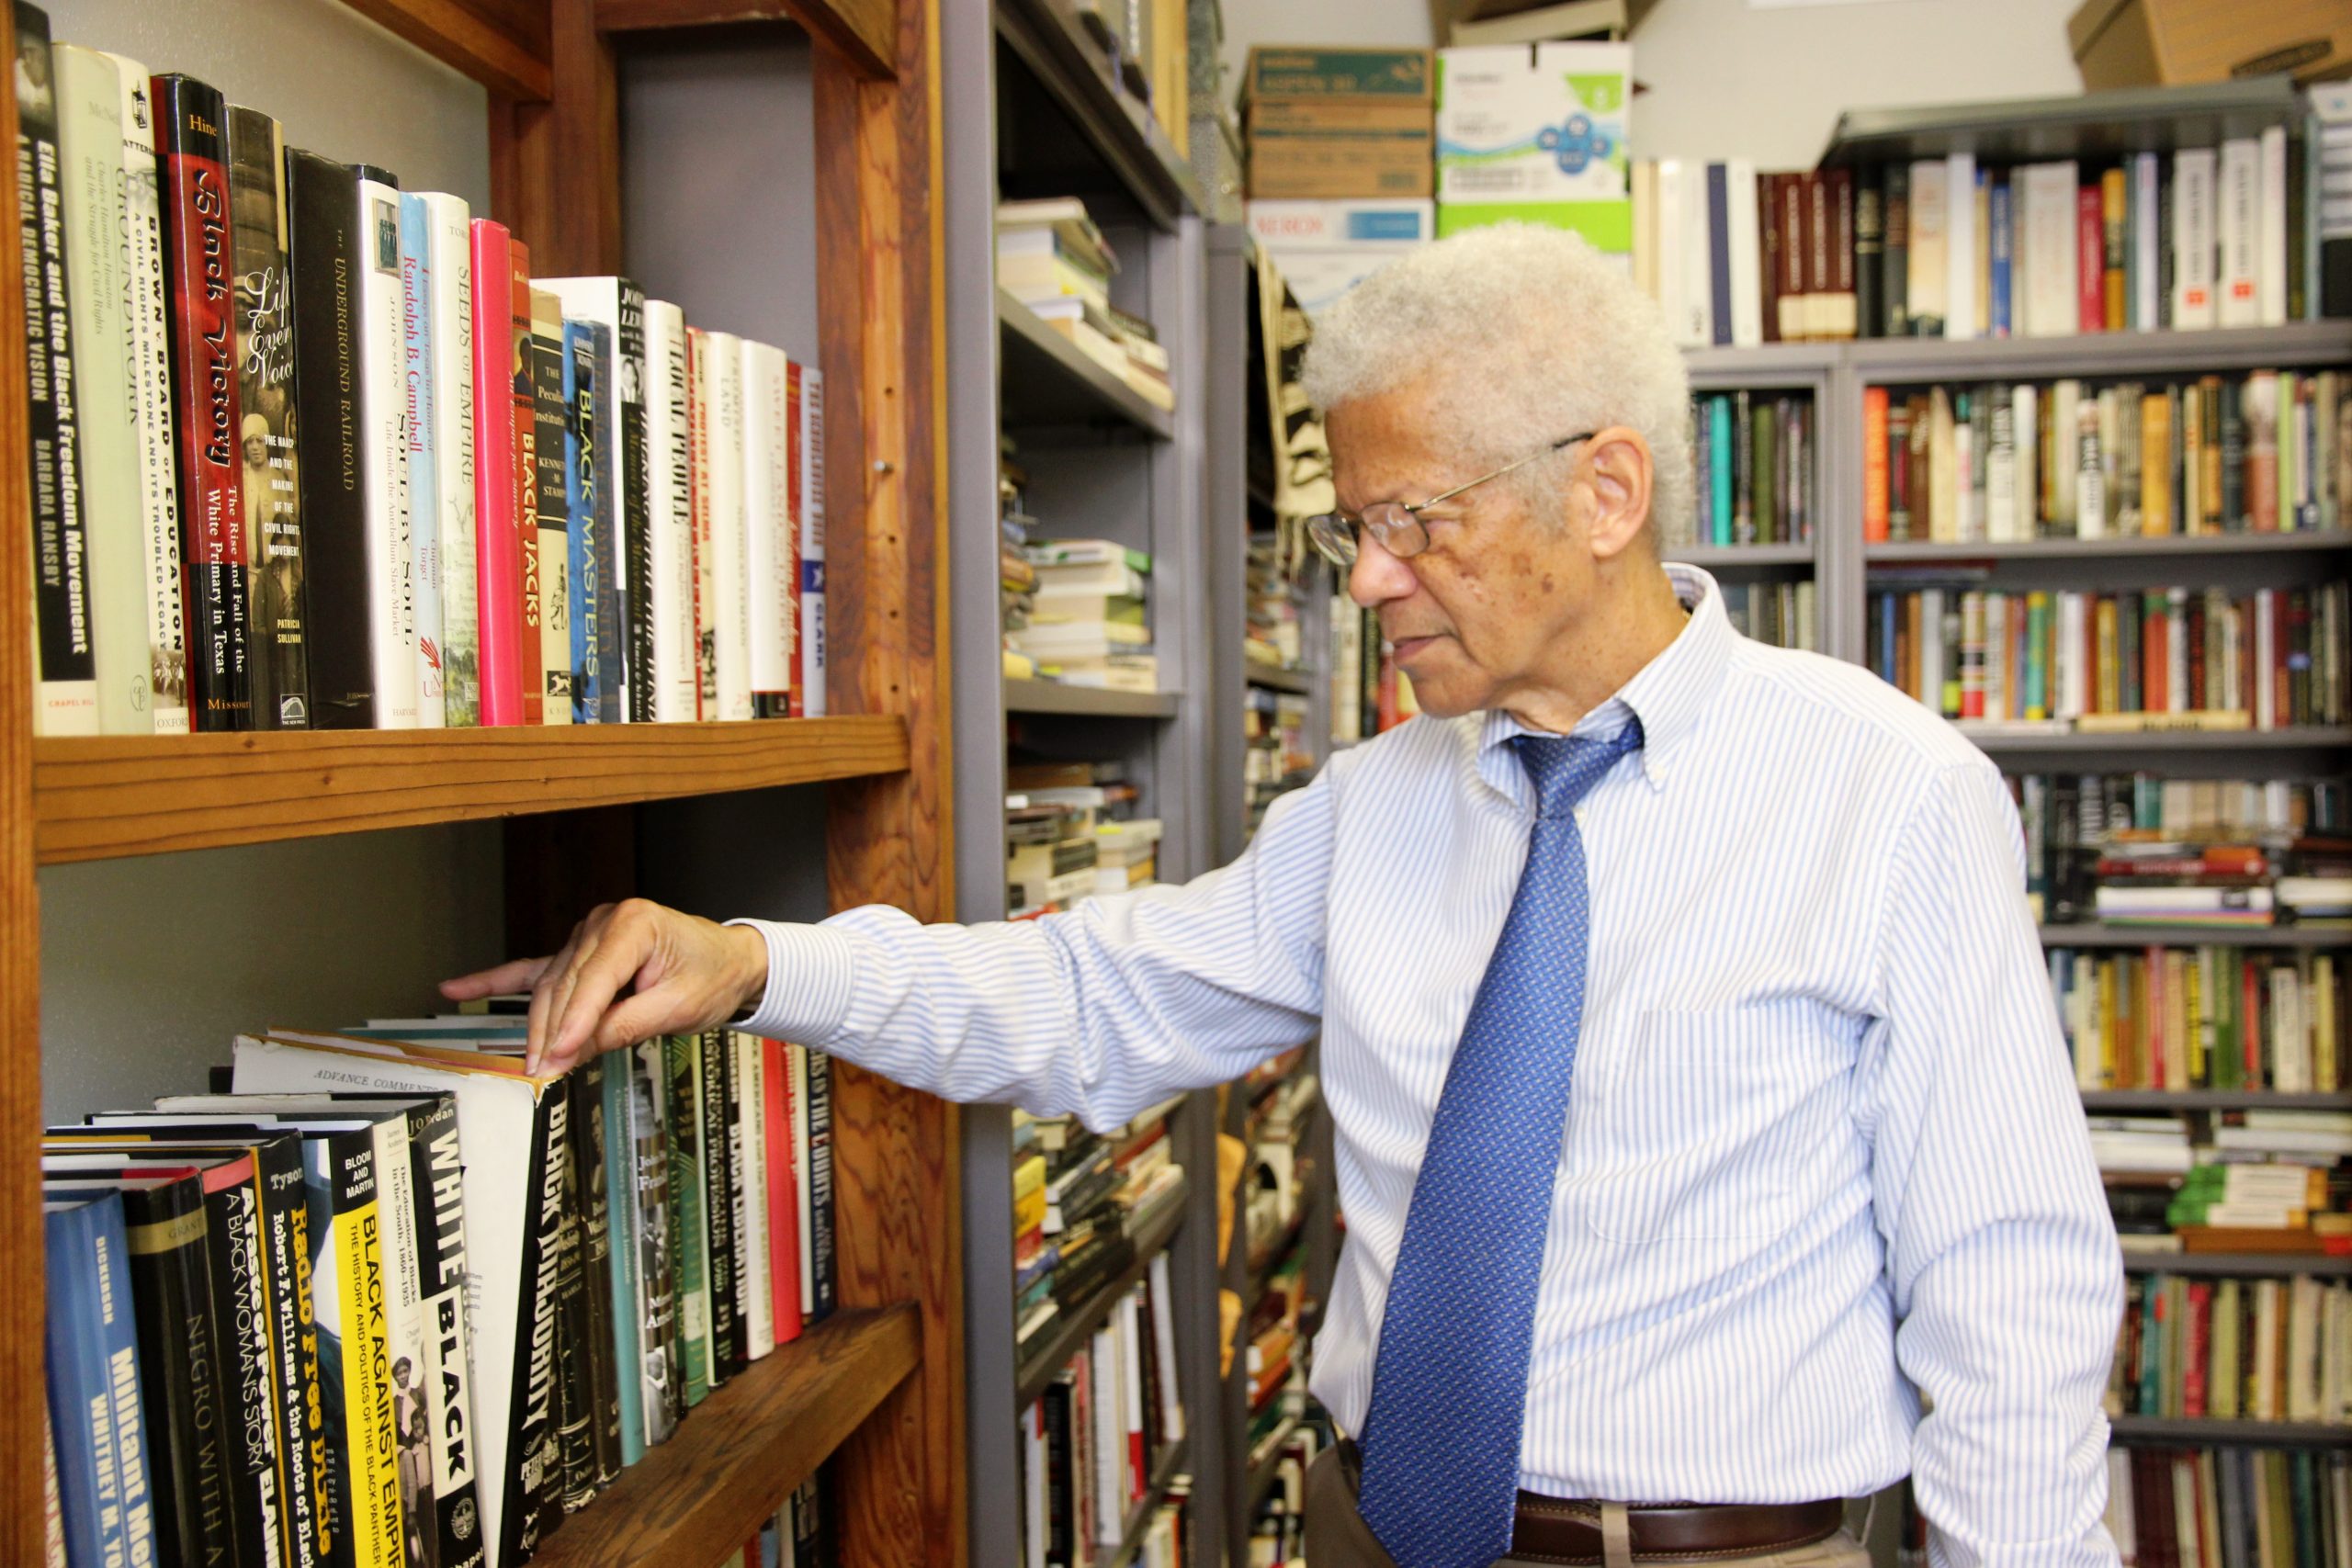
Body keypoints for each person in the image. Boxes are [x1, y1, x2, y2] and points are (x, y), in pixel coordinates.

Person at [447, 224, 2123, 1568]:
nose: (1373, 576)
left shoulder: (1890, 798)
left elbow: (2010, 1287)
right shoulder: (1369, 810)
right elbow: (1096, 999)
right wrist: (751, 962)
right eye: (1355, 529)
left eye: (1414, 520)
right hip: (1369, 1529)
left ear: (1605, 493)